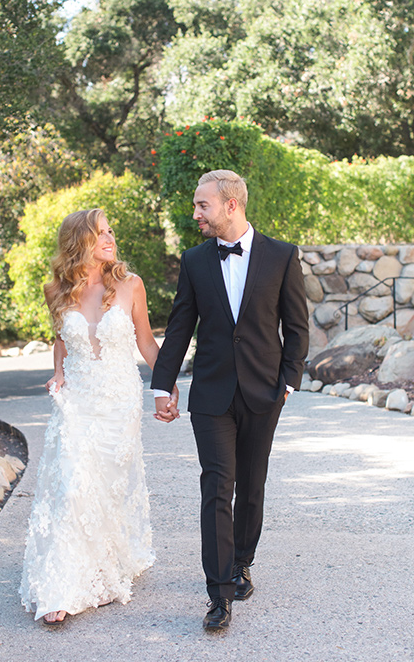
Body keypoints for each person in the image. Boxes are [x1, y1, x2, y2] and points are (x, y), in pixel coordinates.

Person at [152, 170, 309, 632]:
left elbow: (297, 327)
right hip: (212, 395)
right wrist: (163, 385)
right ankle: (219, 596)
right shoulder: (194, 261)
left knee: (252, 484)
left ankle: (242, 562)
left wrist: (289, 383)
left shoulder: (281, 256)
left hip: (265, 391)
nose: (195, 213)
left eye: (203, 205)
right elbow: (180, 326)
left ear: (231, 205)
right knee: (217, 487)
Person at [19, 208, 178, 626]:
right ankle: (62, 586)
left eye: (111, 230)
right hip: (76, 402)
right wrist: (57, 373)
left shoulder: (130, 285)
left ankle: (105, 562)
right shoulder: (56, 289)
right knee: (72, 484)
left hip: (117, 403)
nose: (110, 239)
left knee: (105, 487)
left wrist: (165, 385)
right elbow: (61, 339)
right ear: (79, 243)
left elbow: (145, 339)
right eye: (101, 233)